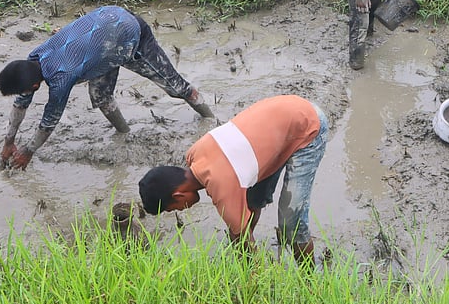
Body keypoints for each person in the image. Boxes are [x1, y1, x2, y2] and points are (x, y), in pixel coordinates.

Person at [0, 5, 213, 169]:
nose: (21, 96)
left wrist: (28, 151)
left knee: (175, 87)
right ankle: (124, 134)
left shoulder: (61, 78)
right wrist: (9, 141)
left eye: (23, 91)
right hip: (106, 31)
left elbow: (48, 123)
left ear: (35, 85)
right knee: (100, 96)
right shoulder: (36, 56)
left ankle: (211, 120)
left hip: (129, 35)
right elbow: (21, 103)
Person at [138, 94, 329, 265]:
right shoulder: (194, 153)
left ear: (179, 195)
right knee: (250, 202)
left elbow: (241, 237)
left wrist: (252, 271)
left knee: (290, 221)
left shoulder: (222, 185)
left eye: (174, 208)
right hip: (281, 113)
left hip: (308, 126)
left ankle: (309, 280)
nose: (181, 210)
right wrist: (239, 232)